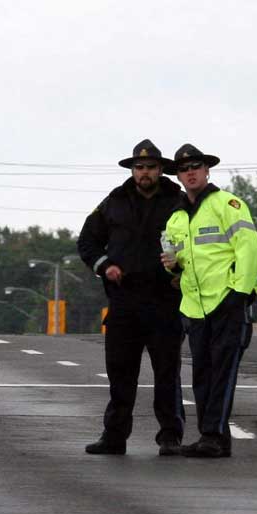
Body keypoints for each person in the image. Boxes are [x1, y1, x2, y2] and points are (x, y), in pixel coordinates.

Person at [77, 139, 186, 456]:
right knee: (120, 373)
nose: (145, 173)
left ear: (161, 169)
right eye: (139, 168)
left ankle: (170, 436)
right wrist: (104, 265)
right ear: (132, 170)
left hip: (164, 299)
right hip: (124, 300)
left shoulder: (178, 202)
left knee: (167, 372)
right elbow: (87, 241)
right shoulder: (115, 201)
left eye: (151, 167)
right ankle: (114, 436)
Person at [160, 143, 257, 458]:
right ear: (178, 176)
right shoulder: (176, 216)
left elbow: (248, 249)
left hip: (227, 301)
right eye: (183, 169)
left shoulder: (227, 204)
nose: (190, 172)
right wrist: (172, 264)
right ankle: (213, 437)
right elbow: (177, 262)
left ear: (206, 170)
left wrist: (239, 294)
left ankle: (213, 435)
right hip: (194, 306)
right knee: (202, 374)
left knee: (221, 373)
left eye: (195, 166)